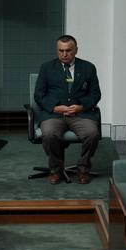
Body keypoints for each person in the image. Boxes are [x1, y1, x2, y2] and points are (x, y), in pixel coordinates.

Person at [34, 35, 101, 185]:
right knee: (49, 134)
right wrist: (55, 107)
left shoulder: (88, 67)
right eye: (61, 51)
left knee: (92, 133)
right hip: (54, 114)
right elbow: (39, 95)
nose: (64, 54)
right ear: (57, 51)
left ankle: (83, 168)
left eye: (68, 50)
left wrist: (81, 106)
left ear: (76, 50)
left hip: (80, 113)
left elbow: (95, 94)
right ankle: (56, 170)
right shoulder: (46, 67)